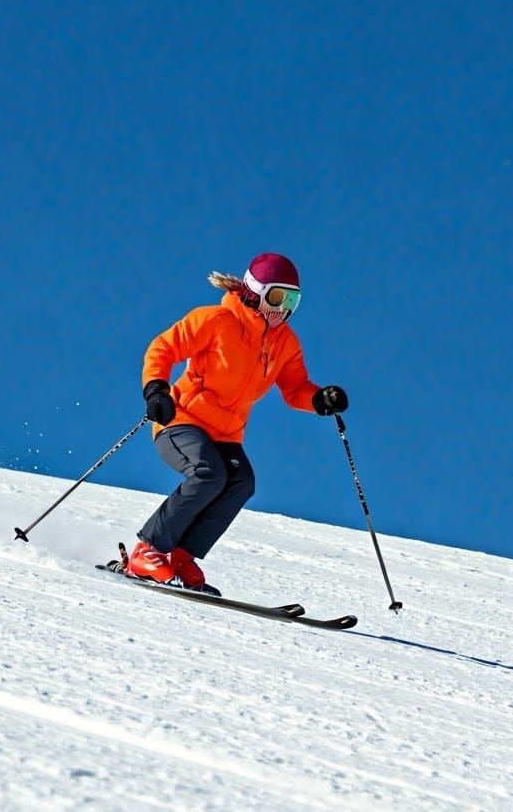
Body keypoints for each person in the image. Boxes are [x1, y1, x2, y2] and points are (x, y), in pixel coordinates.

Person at [128, 252, 348, 593]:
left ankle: (183, 556)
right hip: (181, 420)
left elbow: (295, 389)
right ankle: (148, 550)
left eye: (292, 300)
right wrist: (156, 389)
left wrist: (319, 400)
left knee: (242, 482)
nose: (282, 309)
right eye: (277, 297)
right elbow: (164, 347)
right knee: (208, 473)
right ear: (255, 292)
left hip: (226, 434)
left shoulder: (285, 343)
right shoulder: (216, 320)